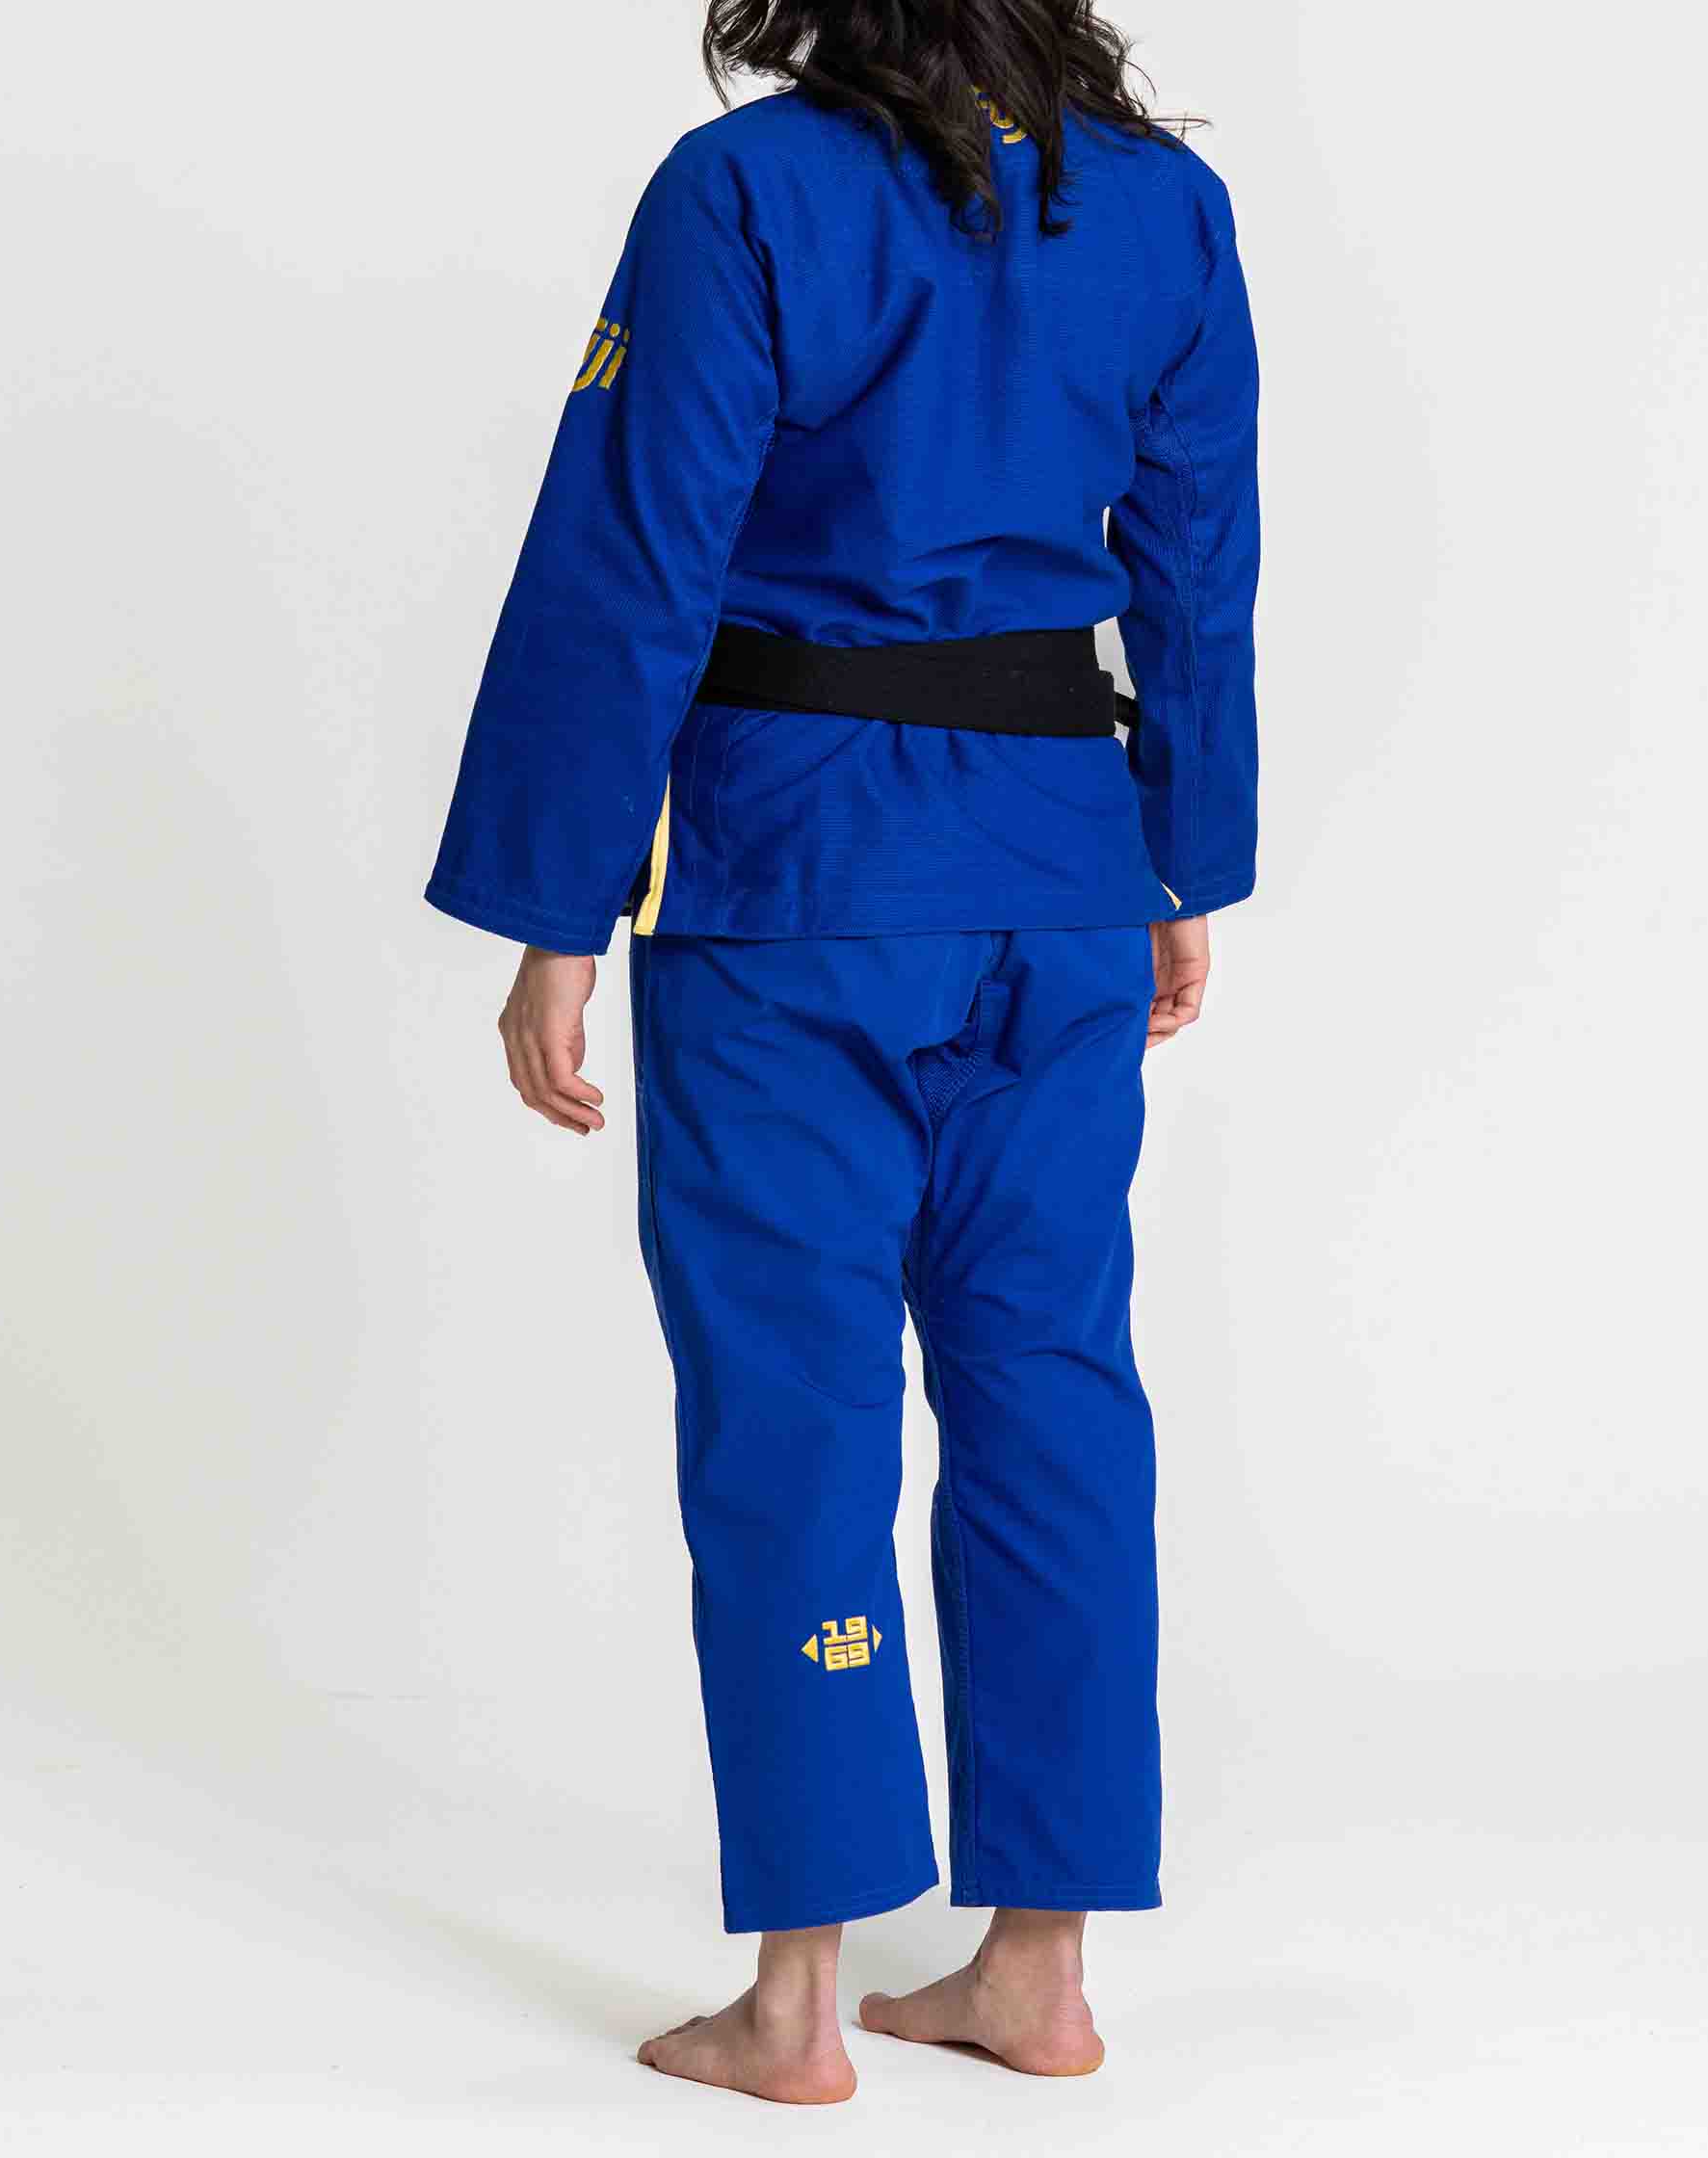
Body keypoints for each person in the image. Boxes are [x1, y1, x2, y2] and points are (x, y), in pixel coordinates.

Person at [423, 0, 1258, 2108]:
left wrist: (555, 905)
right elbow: (1201, 556)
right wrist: (1181, 856)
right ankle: (1039, 1973)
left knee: (795, 1411)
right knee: (1052, 1390)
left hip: (797, 882)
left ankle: (796, 2007)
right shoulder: (1162, 205)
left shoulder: (748, 191)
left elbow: (637, 550)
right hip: (1060, 870)